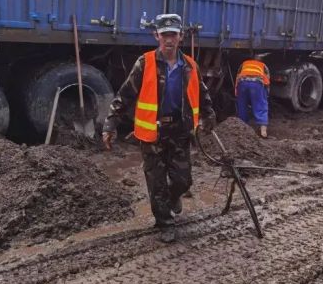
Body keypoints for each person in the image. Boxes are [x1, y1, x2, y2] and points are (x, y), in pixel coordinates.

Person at [102, 14, 216, 233]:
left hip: (180, 132)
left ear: (180, 36)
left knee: (183, 180)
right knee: (156, 184)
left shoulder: (190, 66)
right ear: (156, 36)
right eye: (164, 35)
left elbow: (202, 94)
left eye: (173, 34)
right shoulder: (145, 63)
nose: (168, 40)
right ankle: (164, 223)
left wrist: (208, 115)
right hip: (152, 133)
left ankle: (174, 199)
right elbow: (124, 95)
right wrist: (110, 125)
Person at [235, 55, 270, 138]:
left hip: (242, 83)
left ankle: (242, 128)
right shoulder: (263, 66)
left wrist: (236, 90)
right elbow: (267, 80)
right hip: (256, 84)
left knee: (242, 105)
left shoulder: (244, 64)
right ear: (261, 61)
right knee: (261, 105)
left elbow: (238, 76)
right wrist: (266, 94)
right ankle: (263, 132)